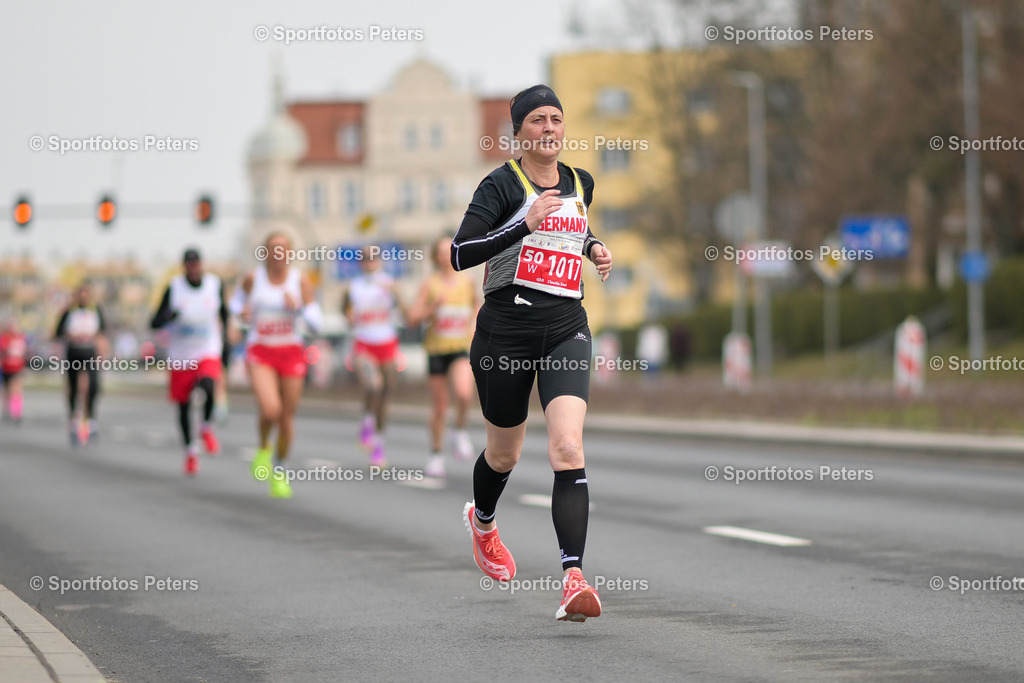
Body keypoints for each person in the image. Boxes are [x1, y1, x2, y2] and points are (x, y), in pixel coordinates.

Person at [452, 84, 613, 622]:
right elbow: (460, 253)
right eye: (538, 120)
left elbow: (572, 226)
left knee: (567, 446)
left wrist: (592, 246)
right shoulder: (500, 185)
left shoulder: (580, 182)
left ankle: (573, 579)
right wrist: (522, 224)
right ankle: (483, 522)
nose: (549, 128)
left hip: (566, 327)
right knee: (504, 455)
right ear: (519, 132)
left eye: (555, 119)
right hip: (505, 334)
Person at [230, 232, 322, 498]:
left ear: (290, 253)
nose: (278, 254)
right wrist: (241, 313)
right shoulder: (254, 278)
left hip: (290, 351)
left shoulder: (299, 281)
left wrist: (299, 307)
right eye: (273, 248)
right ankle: (263, 448)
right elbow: (236, 303)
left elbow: (316, 323)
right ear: (265, 253)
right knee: (271, 409)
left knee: (286, 418)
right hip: (261, 350)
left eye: (283, 249)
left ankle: (279, 471)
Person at [406, 234, 480, 478]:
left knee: (464, 393)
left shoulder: (467, 282)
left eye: (448, 251)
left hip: (459, 347)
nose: (445, 256)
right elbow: (412, 318)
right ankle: (436, 454)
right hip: (436, 349)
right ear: (434, 257)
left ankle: (459, 429)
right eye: (440, 252)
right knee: (439, 408)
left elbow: (477, 307)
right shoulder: (430, 284)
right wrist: (431, 308)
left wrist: (473, 326)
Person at [150, 248, 228, 476]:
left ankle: (206, 427)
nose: (193, 269)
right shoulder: (174, 288)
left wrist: (227, 342)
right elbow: (154, 322)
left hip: (207, 349)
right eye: (189, 264)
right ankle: (190, 452)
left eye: (196, 264)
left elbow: (224, 314)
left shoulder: (214, 284)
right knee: (183, 405)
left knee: (209, 385)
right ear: (184, 266)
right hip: (181, 356)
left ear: (202, 265)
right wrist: (169, 316)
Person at [342, 248, 406, 468]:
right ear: (361, 263)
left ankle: (379, 444)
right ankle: (367, 422)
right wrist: (349, 316)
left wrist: (397, 294)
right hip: (364, 343)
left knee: (385, 395)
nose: (370, 262)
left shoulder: (390, 283)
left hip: (387, 343)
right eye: (366, 259)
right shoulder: (353, 286)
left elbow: (405, 312)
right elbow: (345, 311)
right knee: (373, 385)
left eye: (374, 258)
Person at [54, 283, 108, 445]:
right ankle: (73, 418)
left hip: (90, 352)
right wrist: (71, 335)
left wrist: (102, 351)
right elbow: (57, 332)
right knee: (74, 387)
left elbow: (102, 333)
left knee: (93, 386)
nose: (83, 298)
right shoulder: (70, 312)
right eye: (81, 295)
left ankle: (90, 420)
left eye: (86, 294)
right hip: (74, 352)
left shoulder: (95, 310)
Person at [0, 319, 28, 424]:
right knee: (7, 391)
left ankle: (16, 413)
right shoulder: (4, 338)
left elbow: (24, 352)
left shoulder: (20, 338)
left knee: (16, 390)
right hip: (6, 368)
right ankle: (7, 410)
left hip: (17, 368)